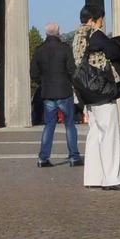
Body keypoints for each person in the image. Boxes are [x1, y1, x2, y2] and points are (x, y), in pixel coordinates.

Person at [70, 3, 120, 190]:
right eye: (101, 20)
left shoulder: (76, 35)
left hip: (86, 91)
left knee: (94, 134)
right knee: (109, 135)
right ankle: (112, 178)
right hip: (101, 89)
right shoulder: (94, 34)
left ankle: (93, 177)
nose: (102, 24)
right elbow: (113, 51)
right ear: (93, 20)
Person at [30, 21, 82, 167]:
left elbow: (33, 73)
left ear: (46, 33)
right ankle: (74, 157)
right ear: (58, 32)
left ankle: (43, 158)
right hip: (64, 91)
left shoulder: (39, 50)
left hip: (48, 93)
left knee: (49, 125)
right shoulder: (65, 48)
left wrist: (43, 82)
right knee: (70, 124)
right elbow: (72, 70)